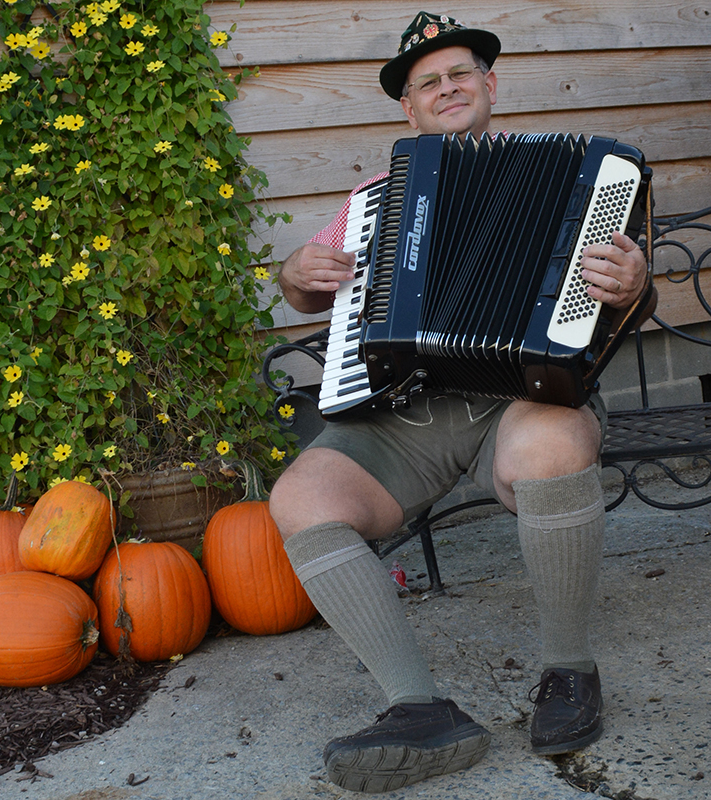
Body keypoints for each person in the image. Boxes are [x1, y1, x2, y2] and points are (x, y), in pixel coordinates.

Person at [269, 11, 651, 795]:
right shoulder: (375, 198)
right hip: (400, 417)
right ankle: (418, 709)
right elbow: (310, 283)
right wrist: (295, 272)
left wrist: (633, 285)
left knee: (554, 446)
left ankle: (570, 673)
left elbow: (624, 288)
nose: (447, 89)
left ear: (488, 86)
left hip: (522, 400)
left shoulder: (584, 175)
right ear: (408, 109)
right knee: (301, 495)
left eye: (459, 75)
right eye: (428, 83)